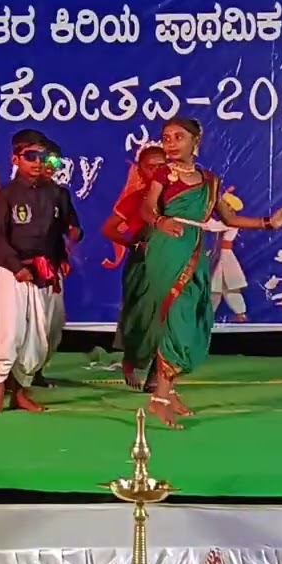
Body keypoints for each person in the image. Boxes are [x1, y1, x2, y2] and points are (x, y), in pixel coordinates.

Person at [137, 117, 282, 428]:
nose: (170, 143)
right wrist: (159, 222)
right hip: (169, 248)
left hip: (197, 249)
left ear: (196, 141)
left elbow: (229, 218)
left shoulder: (210, 181)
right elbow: (147, 208)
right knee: (178, 317)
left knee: (195, 317)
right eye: (166, 137)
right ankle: (159, 397)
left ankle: (168, 391)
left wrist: (269, 223)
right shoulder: (163, 173)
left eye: (178, 137)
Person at [0, 129, 65, 413]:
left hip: (42, 272)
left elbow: (57, 234)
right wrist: (16, 267)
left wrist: (62, 254)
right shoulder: (6, 195)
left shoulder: (54, 193)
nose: (37, 162)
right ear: (16, 159)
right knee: (11, 333)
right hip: (11, 271)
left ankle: (21, 392)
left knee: (37, 338)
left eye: (42, 157)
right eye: (31, 156)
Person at [99, 142, 167, 388]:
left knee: (167, 317)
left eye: (163, 165)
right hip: (142, 266)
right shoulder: (136, 199)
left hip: (171, 264)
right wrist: (133, 244)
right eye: (151, 167)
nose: (157, 171)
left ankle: (156, 376)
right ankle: (131, 361)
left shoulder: (179, 200)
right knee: (138, 317)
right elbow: (108, 228)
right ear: (141, 171)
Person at [33, 138, 82, 388]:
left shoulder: (60, 194)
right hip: (22, 270)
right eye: (45, 159)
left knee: (53, 324)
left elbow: (70, 226)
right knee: (29, 325)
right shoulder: (15, 192)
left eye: (55, 160)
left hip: (52, 267)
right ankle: (14, 377)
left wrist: (73, 234)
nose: (50, 165)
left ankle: (37, 370)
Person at [210, 188, 250, 322]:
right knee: (214, 289)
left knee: (230, 288)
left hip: (225, 257)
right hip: (217, 255)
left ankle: (240, 314)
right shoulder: (224, 220)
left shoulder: (231, 221)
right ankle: (207, 316)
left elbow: (212, 226)